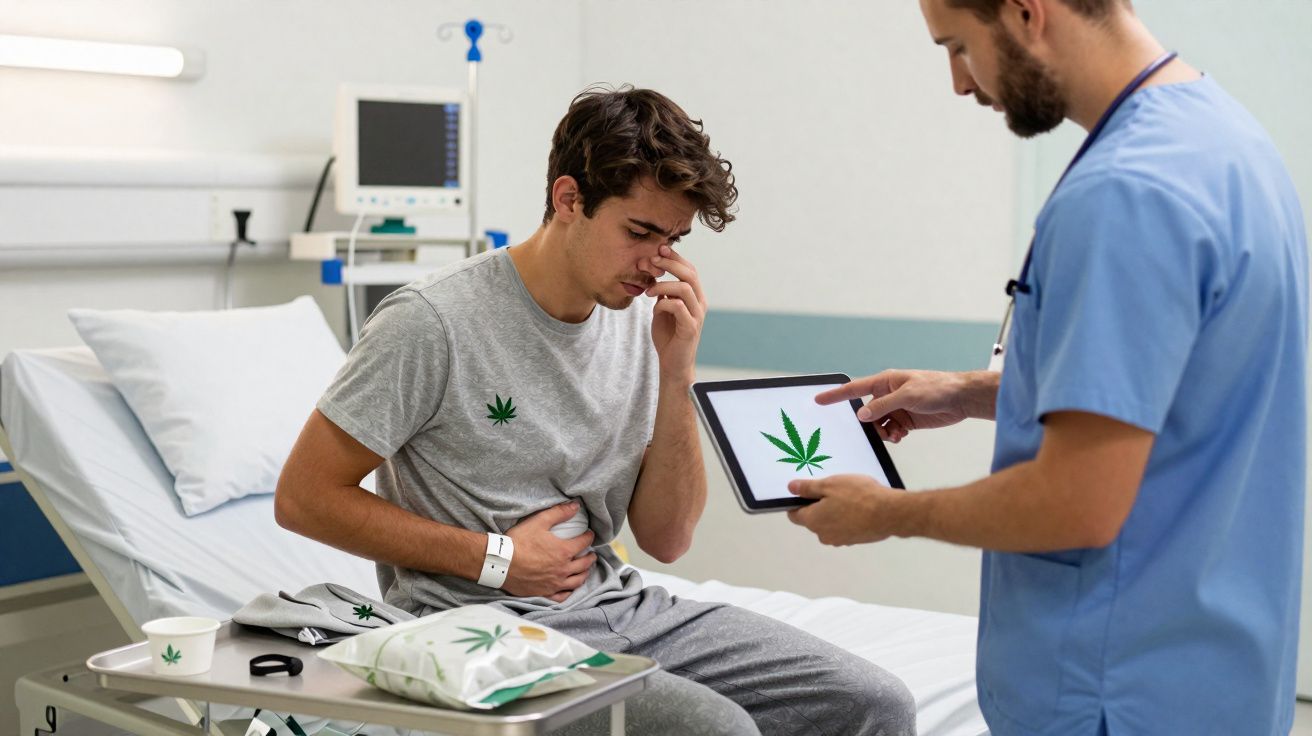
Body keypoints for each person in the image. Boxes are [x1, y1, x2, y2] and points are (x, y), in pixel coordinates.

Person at [276, 85, 916, 735]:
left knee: (874, 703)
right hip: (480, 631)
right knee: (714, 730)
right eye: (639, 232)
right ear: (568, 199)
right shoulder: (433, 322)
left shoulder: (643, 322)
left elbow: (667, 539)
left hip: (618, 608)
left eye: (672, 239)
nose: (655, 263)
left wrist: (678, 372)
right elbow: (302, 496)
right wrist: (492, 556)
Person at [787, 1, 1308, 734]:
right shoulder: (1229, 143)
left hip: (1117, 694)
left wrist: (889, 514)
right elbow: (1185, 392)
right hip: (1223, 682)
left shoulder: (1122, 194)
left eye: (960, 46)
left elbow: (1077, 504)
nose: (959, 84)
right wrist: (969, 393)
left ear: (1027, 11)